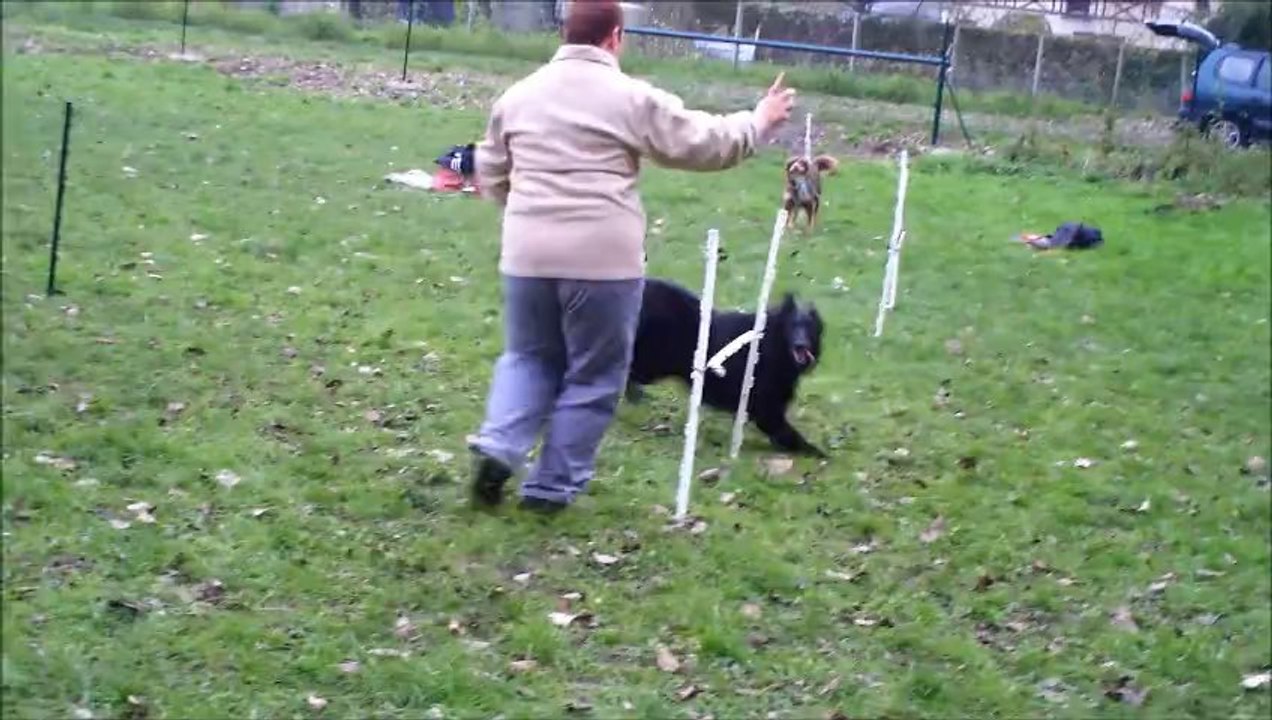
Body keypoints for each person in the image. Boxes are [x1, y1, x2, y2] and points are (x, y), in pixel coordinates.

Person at [468, 0, 796, 514]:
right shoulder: (630, 98)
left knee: (528, 356)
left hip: (526, 258)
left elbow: (488, 168)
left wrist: (525, 211)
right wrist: (759, 122)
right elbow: (703, 143)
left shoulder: (518, 96)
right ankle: (550, 489)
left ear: (564, 32)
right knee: (594, 376)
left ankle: (499, 445)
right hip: (604, 265)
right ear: (615, 37)